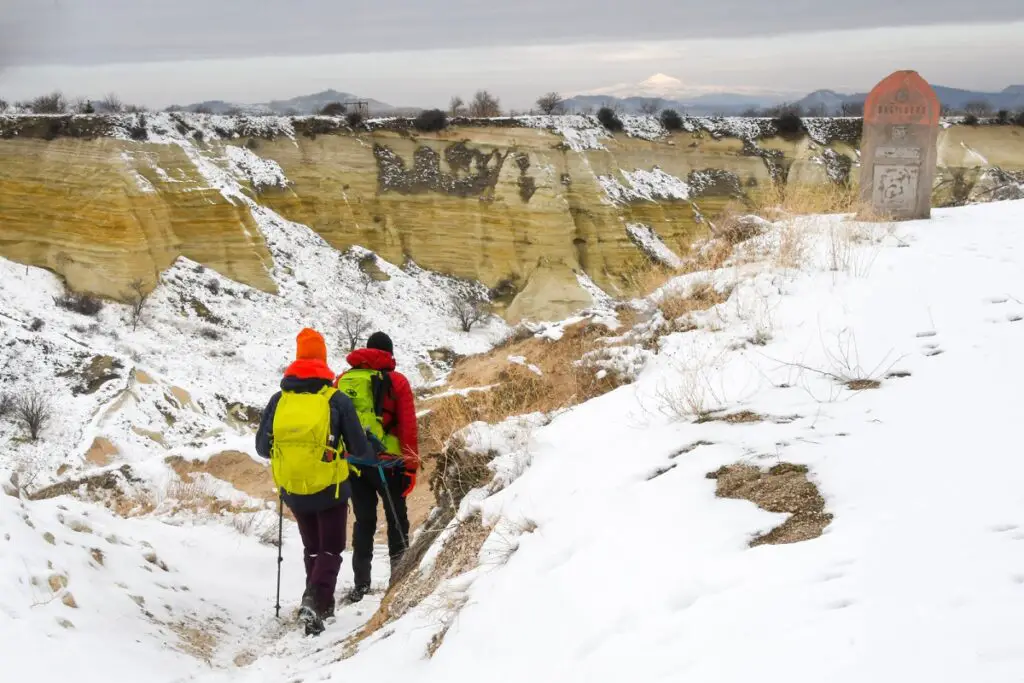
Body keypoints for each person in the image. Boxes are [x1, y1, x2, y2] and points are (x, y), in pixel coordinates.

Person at [255, 328, 371, 636]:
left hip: (293, 487)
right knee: (331, 547)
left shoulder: (279, 399)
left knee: (313, 548)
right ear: (322, 358)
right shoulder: (336, 399)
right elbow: (359, 449)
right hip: (330, 487)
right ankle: (316, 601)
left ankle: (321, 604)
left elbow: (261, 448)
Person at [335, 331, 420, 603]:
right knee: (396, 520)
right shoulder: (397, 381)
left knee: (364, 522)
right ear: (390, 353)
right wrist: (411, 467)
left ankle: (361, 585)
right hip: (389, 463)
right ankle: (399, 580)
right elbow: (408, 427)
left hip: (356, 462)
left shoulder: (343, 380)